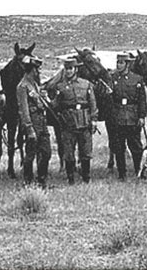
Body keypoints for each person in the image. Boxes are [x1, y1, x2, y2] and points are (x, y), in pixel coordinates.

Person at [47, 56, 98, 184]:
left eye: (71, 68)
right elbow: (55, 105)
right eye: (67, 69)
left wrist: (94, 119)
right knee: (69, 153)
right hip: (68, 124)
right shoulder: (60, 87)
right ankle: (71, 179)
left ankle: (86, 178)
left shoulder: (86, 84)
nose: (69, 71)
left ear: (76, 69)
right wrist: (46, 100)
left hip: (84, 121)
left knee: (86, 152)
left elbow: (92, 104)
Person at [109, 52, 147, 181]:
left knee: (136, 147)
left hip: (133, 117)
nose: (119, 65)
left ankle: (139, 171)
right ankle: (122, 174)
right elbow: (109, 100)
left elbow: (142, 100)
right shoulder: (112, 78)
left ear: (127, 64)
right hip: (117, 117)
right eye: (117, 62)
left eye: (121, 63)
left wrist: (142, 116)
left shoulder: (137, 79)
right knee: (119, 148)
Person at [16, 54, 51, 188]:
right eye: (37, 69)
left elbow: (43, 104)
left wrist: (45, 99)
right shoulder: (22, 86)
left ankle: (42, 180)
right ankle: (28, 181)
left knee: (46, 153)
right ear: (32, 70)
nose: (39, 72)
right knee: (30, 154)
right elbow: (23, 110)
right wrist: (29, 128)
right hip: (32, 122)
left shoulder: (35, 85)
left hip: (42, 121)